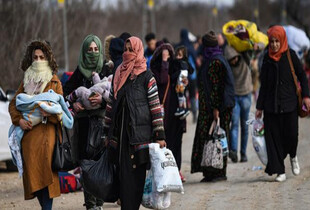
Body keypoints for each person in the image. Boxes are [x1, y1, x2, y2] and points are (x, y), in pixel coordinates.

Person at [104, 36, 166, 210]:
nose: (127, 53)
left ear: (138, 51)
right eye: (126, 49)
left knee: (134, 187)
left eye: (132, 49)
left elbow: (155, 108)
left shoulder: (147, 77)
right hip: (119, 140)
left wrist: (160, 135)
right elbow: (110, 106)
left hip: (139, 140)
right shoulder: (119, 74)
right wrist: (105, 133)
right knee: (123, 188)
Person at [8, 40, 62, 209]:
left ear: (48, 59)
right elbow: (13, 104)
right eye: (35, 57)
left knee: (47, 180)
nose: (38, 61)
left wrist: (49, 113)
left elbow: (61, 110)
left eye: (41, 57)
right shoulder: (26, 81)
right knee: (34, 179)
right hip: (29, 139)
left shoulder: (54, 82)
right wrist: (19, 120)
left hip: (48, 139)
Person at [255, 26, 310, 182]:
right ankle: (280, 171)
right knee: (273, 139)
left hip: (289, 104)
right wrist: (259, 106)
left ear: (282, 40)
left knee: (291, 136)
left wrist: (306, 96)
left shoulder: (291, 56)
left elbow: (302, 76)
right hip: (271, 106)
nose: (274, 45)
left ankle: (293, 156)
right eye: (271, 42)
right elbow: (263, 84)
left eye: (277, 41)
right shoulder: (266, 58)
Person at [63, 34, 108, 210]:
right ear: (84, 51)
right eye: (89, 49)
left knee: (101, 163)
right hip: (83, 126)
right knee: (86, 164)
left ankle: (100, 202)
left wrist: (102, 102)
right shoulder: (79, 72)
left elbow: (115, 94)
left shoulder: (106, 70)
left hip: (102, 124)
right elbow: (65, 92)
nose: (93, 52)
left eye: (96, 49)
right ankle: (90, 204)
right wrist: (73, 103)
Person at [191, 31, 234, 182]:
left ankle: (219, 172)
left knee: (216, 139)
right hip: (207, 109)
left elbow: (217, 87)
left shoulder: (215, 61)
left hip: (215, 109)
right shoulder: (212, 59)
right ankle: (209, 172)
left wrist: (216, 109)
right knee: (209, 140)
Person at [150, 42, 187, 182]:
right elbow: (162, 80)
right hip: (162, 115)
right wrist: (164, 62)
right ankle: (164, 172)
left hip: (176, 113)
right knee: (165, 143)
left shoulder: (174, 66)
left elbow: (182, 82)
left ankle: (177, 171)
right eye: (164, 54)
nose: (167, 57)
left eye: (169, 55)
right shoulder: (154, 70)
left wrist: (184, 81)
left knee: (177, 143)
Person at [224, 45, 253, 163]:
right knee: (234, 124)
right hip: (235, 97)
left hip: (246, 95)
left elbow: (254, 47)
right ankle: (234, 151)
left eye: (235, 58)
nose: (234, 60)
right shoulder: (228, 67)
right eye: (231, 59)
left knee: (245, 126)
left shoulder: (245, 58)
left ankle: (243, 153)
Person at [174, 46, 194, 119]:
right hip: (184, 81)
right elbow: (192, 70)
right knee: (183, 95)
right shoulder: (186, 63)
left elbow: (177, 74)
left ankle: (181, 108)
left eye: (179, 55)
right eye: (177, 55)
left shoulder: (179, 63)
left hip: (181, 81)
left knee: (180, 94)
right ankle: (185, 109)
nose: (177, 57)